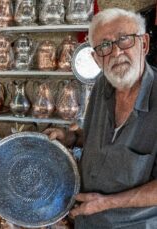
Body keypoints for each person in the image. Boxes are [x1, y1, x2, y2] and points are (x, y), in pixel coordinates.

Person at [44, 8, 157, 228]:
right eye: (104, 46)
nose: (115, 53)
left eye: (124, 40)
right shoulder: (101, 86)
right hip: (85, 220)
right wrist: (72, 137)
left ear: (144, 44)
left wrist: (105, 203)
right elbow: (101, 139)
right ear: (96, 58)